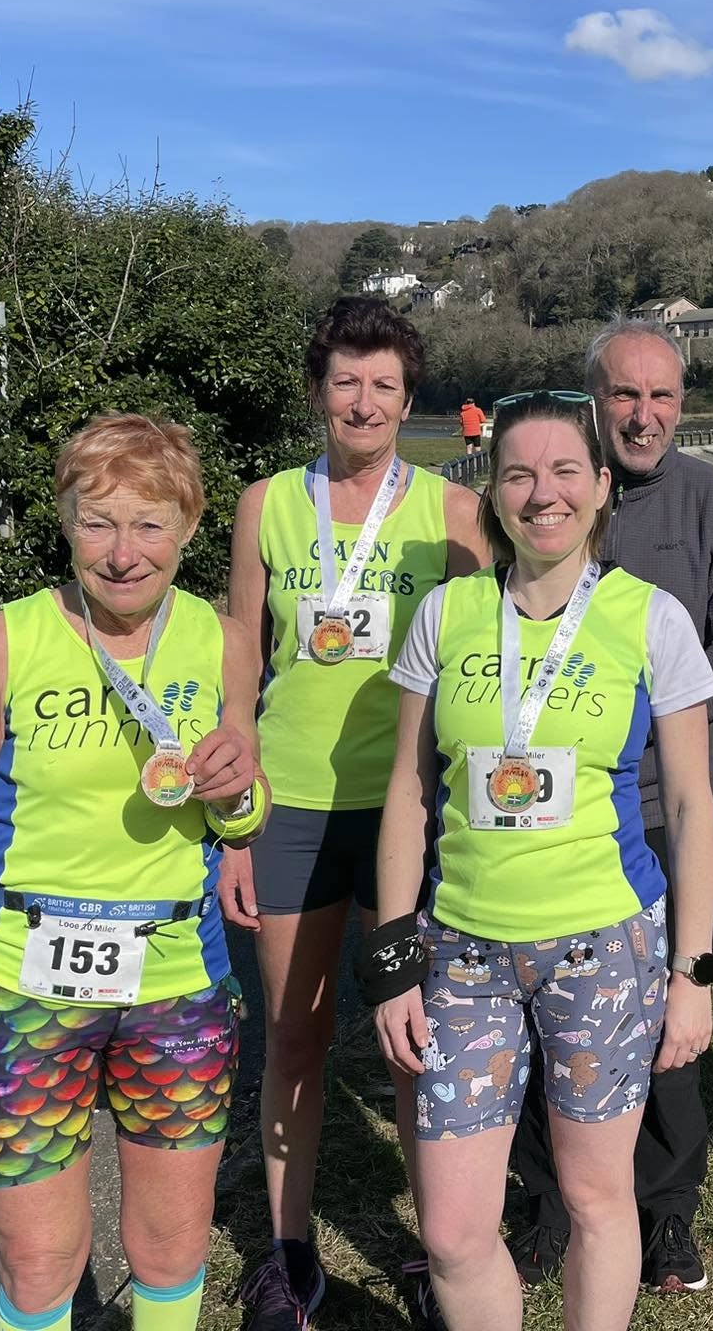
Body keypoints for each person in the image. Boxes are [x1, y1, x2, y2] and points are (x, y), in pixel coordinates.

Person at [0, 412, 270, 1331]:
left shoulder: (223, 641)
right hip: (27, 988)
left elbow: (246, 812)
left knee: (174, 1247)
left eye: (149, 523)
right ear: (64, 523)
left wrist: (236, 793)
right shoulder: (4, 641)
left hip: (176, 983)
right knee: (35, 1261)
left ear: (189, 526)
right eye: (97, 521)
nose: (123, 552)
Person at [367, 390, 713, 1331]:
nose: (542, 493)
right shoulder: (447, 614)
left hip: (602, 949)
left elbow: (689, 807)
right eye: (518, 473)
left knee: (597, 1198)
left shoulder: (652, 619)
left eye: (566, 470)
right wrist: (395, 961)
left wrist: (693, 973)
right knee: (450, 1230)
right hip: (464, 953)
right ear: (493, 491)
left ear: (602, 487)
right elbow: (407, 791)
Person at [225, 297, 487, 1327]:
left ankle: (435, 1248)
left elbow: (485, 655)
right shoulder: (264, 505)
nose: (364, 402)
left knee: (410, 1041)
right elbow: (243, 653)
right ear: (317, 393)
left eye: (384, 385)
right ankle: (289, 1257)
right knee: (293, 1039)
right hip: (288, 804)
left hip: (403, 817)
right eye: (346, 382)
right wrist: (235, 820)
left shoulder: (450, 511)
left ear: (407, 400)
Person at [506, 326, 713, 1294]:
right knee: (539, 1014)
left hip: (668, 808)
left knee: (665, 1017)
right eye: (624, 396)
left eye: (662, 398)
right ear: (591, 396)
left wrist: (656, 713)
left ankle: (664, 1210)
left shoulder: (709, 500)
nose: (644, 416)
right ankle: (541, 1203)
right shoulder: (549, 493)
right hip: (538, 814)